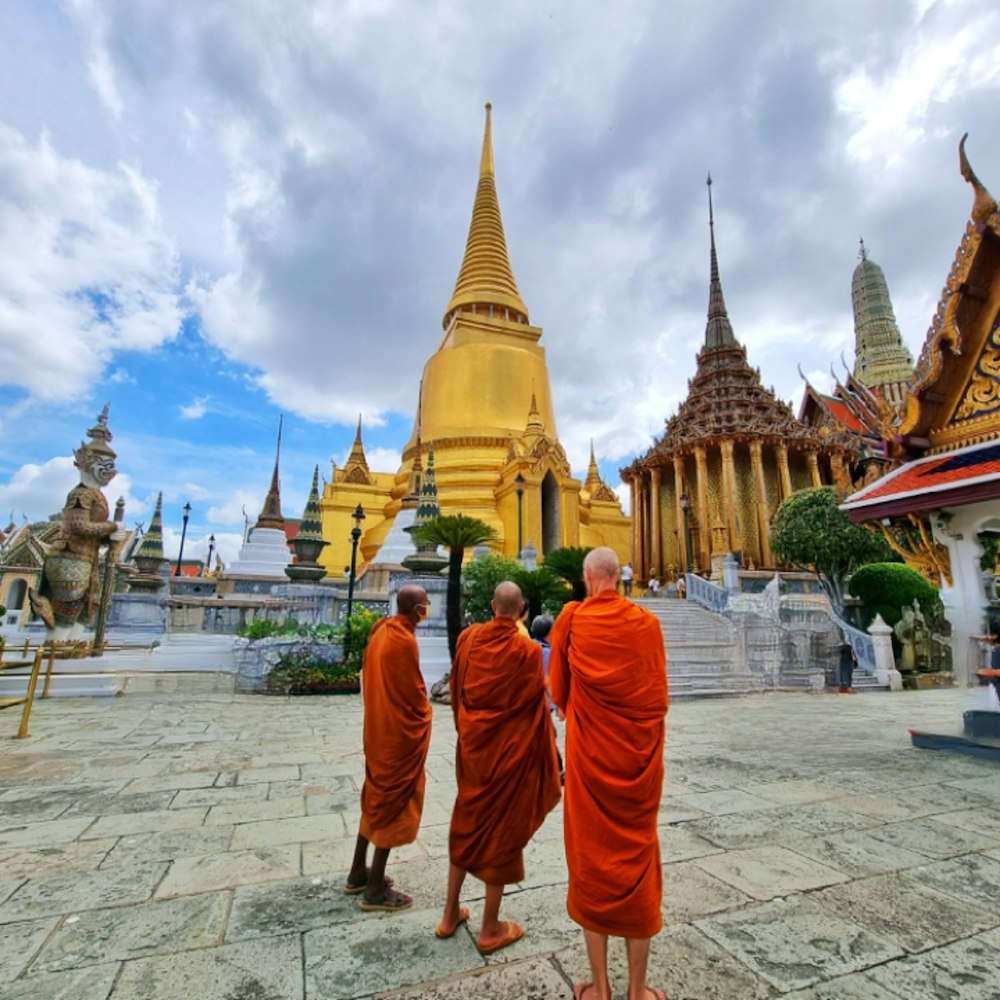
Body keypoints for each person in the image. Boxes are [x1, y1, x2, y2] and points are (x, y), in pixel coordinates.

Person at [549, 547, 669, 1000]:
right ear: (619, 578)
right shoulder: (647, 624)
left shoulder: (572, 621)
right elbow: (658, 696)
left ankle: (599, 988)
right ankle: (637, 991)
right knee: (637, 862)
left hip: (591, 762)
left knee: (592, 862)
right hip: (637, 764)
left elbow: (558, 692)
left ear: (586, 576)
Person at [437, 582, 561, 953]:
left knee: (464, 827)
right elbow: (537, 707)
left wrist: (470, 733)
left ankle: (448, 915)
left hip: (476, 752)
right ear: (523, 608)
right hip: (507, 758)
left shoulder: (469, 640)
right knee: (502, 838)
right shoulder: (525, 651)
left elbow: (457, 692)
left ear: (492, 606)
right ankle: (490, 928)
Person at [346, 584, 432, 911]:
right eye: (425, 604)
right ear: (415, 609)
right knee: (392, 802)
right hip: (397, 737)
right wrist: (427, 714)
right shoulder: (403, 640)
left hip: (378, 730)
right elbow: (414, 695)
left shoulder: (382, 630)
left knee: (375, 796)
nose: (428, 608)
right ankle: (375, 889)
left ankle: (357, 871)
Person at [531, 613, 564, 780]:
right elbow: (549, 680)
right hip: (543, 702)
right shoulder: (547, 653)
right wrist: (559, 705)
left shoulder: (529, 646)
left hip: (530, 701)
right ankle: (557, 770)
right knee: (546, 734)